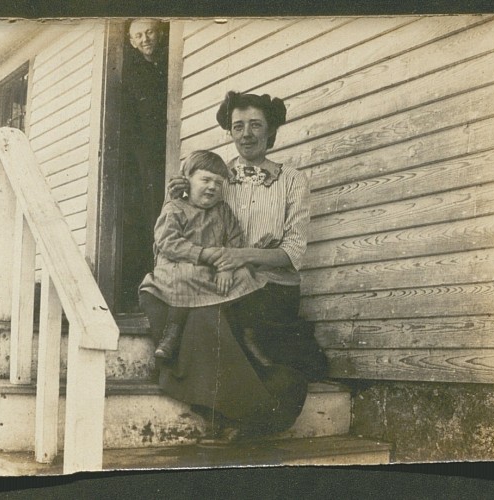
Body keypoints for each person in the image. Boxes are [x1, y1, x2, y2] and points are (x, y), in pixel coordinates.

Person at [140, 91, 324, 444]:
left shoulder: (292, 181)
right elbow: (186, 223)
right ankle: (229, 407)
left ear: (271, 131)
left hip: (271, 283)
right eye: (238, 126)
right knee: (183, 304)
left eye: (256, 125)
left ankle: (251, 410)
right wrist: (175, 198)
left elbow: (293, 253)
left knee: (208, 315)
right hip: (218, 277)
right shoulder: (216, 175)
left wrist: (242, 257)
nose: (246, 133)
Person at [140, 150, 266, 360]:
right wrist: (203, 254)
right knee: (184, 276)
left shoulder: (223, 211)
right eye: (205, 180)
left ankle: (246, 334)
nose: (212, 187)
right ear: (187, 181)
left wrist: (226, 268)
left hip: (213, 268)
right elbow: (167, 242)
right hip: (178, 264)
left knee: (245, 274)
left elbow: (235, 240)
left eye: (218, 183)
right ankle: (172, 331)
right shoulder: (175, 208)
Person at [119, 19, 169, 311]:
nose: (145, 38)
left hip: (168, 148)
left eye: (149, 32)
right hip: (145, 157)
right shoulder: (132, 72)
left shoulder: (167, 64)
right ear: (132, 42)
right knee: (150, 216)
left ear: (159, 33)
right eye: (138, 35)